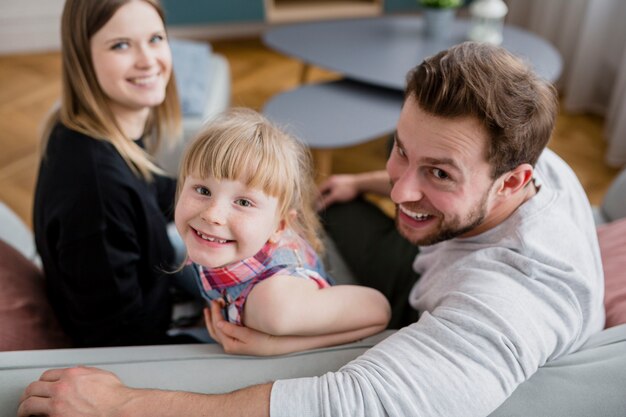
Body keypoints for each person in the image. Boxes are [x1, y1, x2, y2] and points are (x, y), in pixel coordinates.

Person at [18, 42, 605, 417]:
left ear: (511, 181)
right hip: (436, 267)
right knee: (336, 200)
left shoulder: (506, 307)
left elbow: (343, 403)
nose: (402, 190)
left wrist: (124, 403)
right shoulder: (537, 162)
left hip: (427, 305)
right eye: (400, 150)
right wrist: (362, 183)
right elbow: (424, 171)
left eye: (439, 174)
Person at [32, 0, 193, 347]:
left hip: (161, 299)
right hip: (150, 347)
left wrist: (231, 200)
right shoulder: (96, 191)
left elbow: (149, 189)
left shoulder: (87, 127)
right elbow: (123, 341)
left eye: (155, 38)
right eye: (121, 45)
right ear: (82, 58)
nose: (148, 60)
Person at [175, 108, 390, 355]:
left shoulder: (273, 306)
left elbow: (379, 310)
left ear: (278, 227)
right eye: (202, 190)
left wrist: (276, 345)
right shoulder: (217, 240)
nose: (212, 215)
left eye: (243, 202)